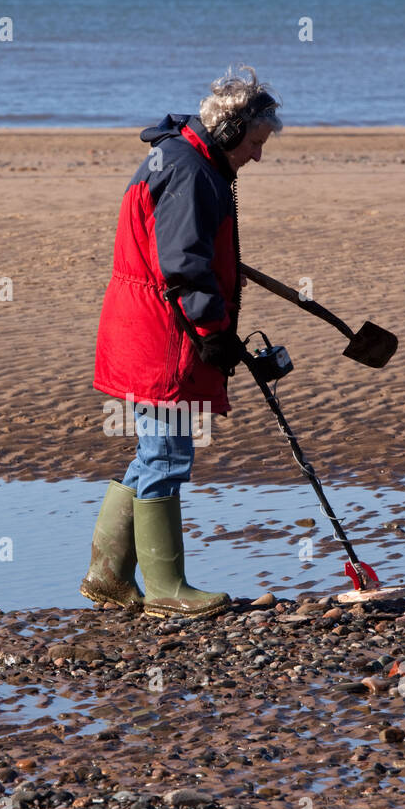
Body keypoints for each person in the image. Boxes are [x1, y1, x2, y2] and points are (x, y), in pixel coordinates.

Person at [81, 66, 282, 619]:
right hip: (161, 333)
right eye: (256, 143)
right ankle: (167, 591)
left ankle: (109, 577)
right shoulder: (193, 172)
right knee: (168, 452)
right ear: (231, 129)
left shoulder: (181, 156)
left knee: (152, 450)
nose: (258, 156)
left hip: (144, 322)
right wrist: (215, 333)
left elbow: (179, 250)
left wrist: (223, 274)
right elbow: (183, 267)